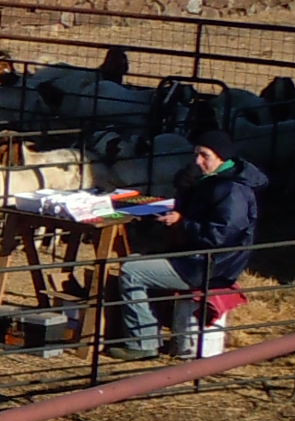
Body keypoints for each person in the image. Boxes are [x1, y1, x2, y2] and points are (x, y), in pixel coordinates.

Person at [113, 141, 270, 357]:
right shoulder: (217, 182)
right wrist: (184, 193)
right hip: (201, 258)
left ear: (222, 157)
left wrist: (182, 222)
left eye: (205, 155)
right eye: (196, 155)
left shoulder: (232, 190)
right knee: (139, 259)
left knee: (132, 270)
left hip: (209, 265)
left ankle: (142, 344)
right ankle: (149, 332)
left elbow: (221, 235)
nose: (198, 161)